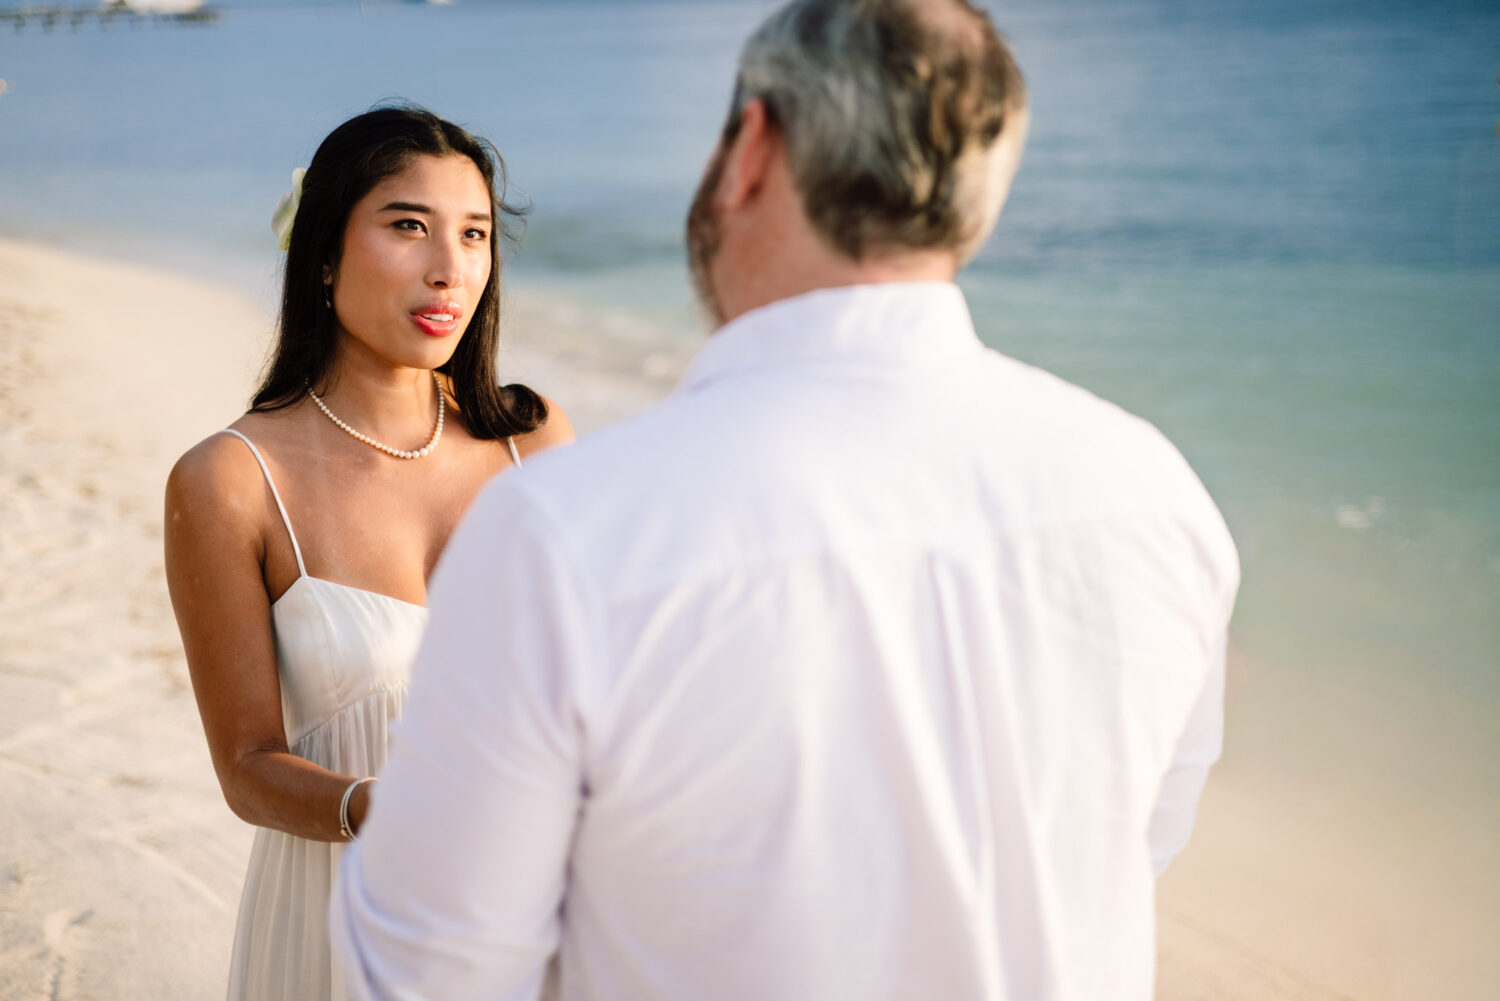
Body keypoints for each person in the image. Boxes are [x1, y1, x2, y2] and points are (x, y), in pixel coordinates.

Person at [331, 2, 1238, 999]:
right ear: (982, 196)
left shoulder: (566, 532)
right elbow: (1131, 847)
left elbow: (430, 969)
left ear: (751, 148)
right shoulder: (1157, 496)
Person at [163, 105, 573, 1000]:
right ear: (322, 252)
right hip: (338, 913)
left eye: (474, 235)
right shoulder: (231, 480)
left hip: (524, 916)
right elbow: (247, 766)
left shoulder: (534, 444)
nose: (449, 268)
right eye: (408, 227)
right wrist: (373, 808)